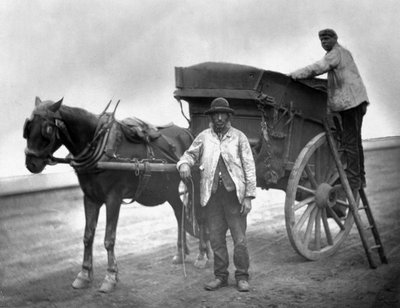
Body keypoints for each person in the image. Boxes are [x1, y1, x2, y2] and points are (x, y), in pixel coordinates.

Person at [177, 97, 256, 292]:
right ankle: (220, 276)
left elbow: (249, 168)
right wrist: (185, 163)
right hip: (211, 198)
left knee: (239, 240)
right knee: (216, 239)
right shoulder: (204, 137)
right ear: (211, 117)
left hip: (234, 198)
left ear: (229, 117)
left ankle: (242, 276)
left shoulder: (239, 137)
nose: (219, 118)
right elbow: (189, 154)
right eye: (216, 115)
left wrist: (248, 197)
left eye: (223, 115)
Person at [289, 28, 369, 193]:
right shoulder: (344, 53)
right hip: (356, 101)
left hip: (351, 103)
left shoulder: (335, 53)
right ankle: (360, 178)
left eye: (327, 38)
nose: (324, 42)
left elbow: (317, 68)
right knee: (355, 141)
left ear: (335, 39)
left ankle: (354, 180)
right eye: (321, 40)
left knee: (350, 142)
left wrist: (294, 75)